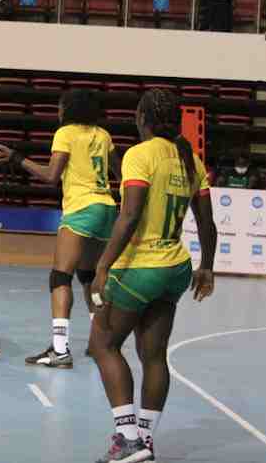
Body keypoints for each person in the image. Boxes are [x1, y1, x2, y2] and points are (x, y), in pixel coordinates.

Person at [88, 89, 217, 463]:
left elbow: (129, 216)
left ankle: (127, 439)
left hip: (140, 266)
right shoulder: (191, 159)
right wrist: (207, 266)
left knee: (103, 345)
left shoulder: (138, 155)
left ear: (141, 117)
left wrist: (102, 266)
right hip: (176, 267)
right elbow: (207, 223)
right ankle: (144, 441)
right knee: (153, 355)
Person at [0, 90, 120, 368]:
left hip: (81, 208)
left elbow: (51, 176)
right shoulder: (103, 134)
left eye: (61, 107)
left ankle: (60, 350)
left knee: (60, 277)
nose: (59, 112)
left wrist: (18, 159)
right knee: (89, 276)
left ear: (70, 109)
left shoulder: (65, 133)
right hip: (107, 207)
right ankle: (100, 341)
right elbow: (120, 173)